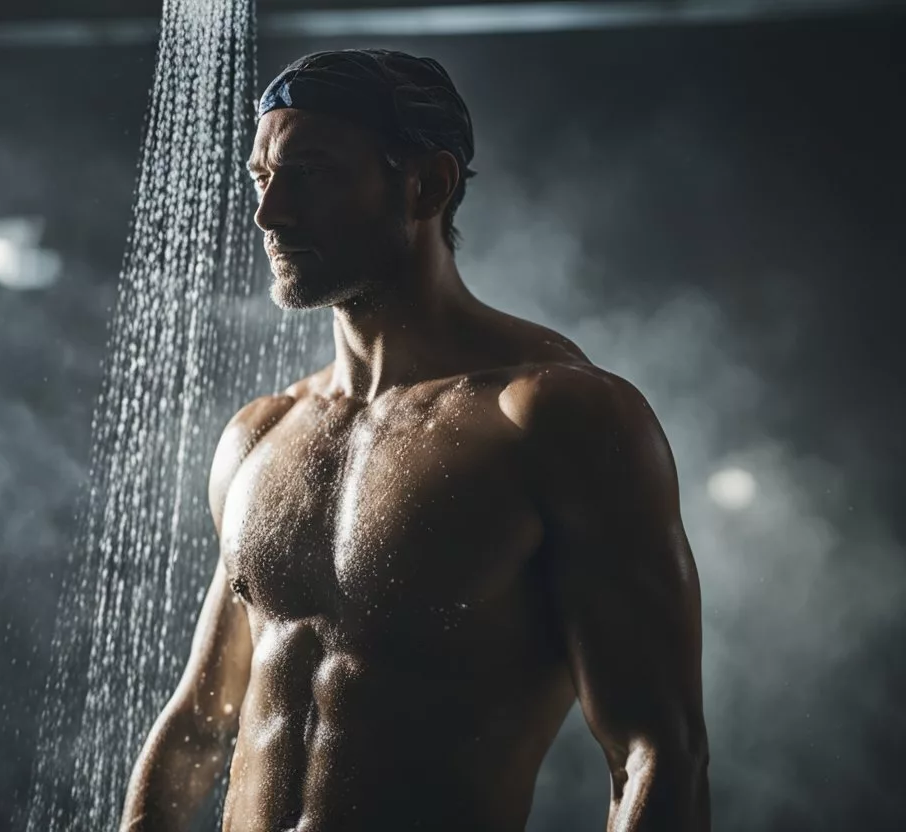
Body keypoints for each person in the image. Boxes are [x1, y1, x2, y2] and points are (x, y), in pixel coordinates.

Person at [119, 48, 709, 832]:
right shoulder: (259, 435)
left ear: (428, 184)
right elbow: (199, 721)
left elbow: (656, 750)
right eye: (264, 179)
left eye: (313, 175)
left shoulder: (553, 417)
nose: (271, 215)